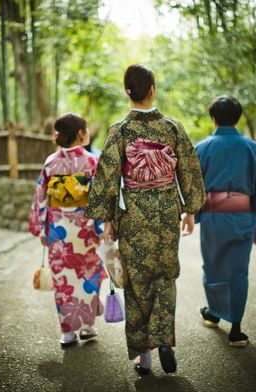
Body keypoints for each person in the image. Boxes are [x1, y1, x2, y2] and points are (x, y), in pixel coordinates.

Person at [85, 64, 205, 375]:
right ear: (152, 90)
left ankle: (145, 357)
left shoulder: (120, 131)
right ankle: (164, 337)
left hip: (134, 213)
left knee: (137, 282)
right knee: (165, 276)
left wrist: (107, 218)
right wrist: (190, 209)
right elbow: (189, 171)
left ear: (128, 92)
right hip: (166, 211)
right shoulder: (172, 128)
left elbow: (107, 177)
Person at [29, 113, 107, 348]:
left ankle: (68, 332)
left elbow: (41, 198)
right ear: (80, 134)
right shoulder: (92, 161)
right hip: (85, 230)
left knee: (64, 280)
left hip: (58, 230)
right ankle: (88, 326)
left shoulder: (50, 162)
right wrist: (102, 226)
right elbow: (100, 197)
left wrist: (42, 230)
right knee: (88, 275)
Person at [195, 95, 256, 347]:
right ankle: (237, 329)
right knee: (239, 271)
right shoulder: (251, 146)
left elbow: (194, 188)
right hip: (243, 215)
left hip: (213, 218)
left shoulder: (203, 147)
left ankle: (214, 312)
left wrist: (194, 215)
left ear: (213, 119)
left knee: (214, 267)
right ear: (239, 117)